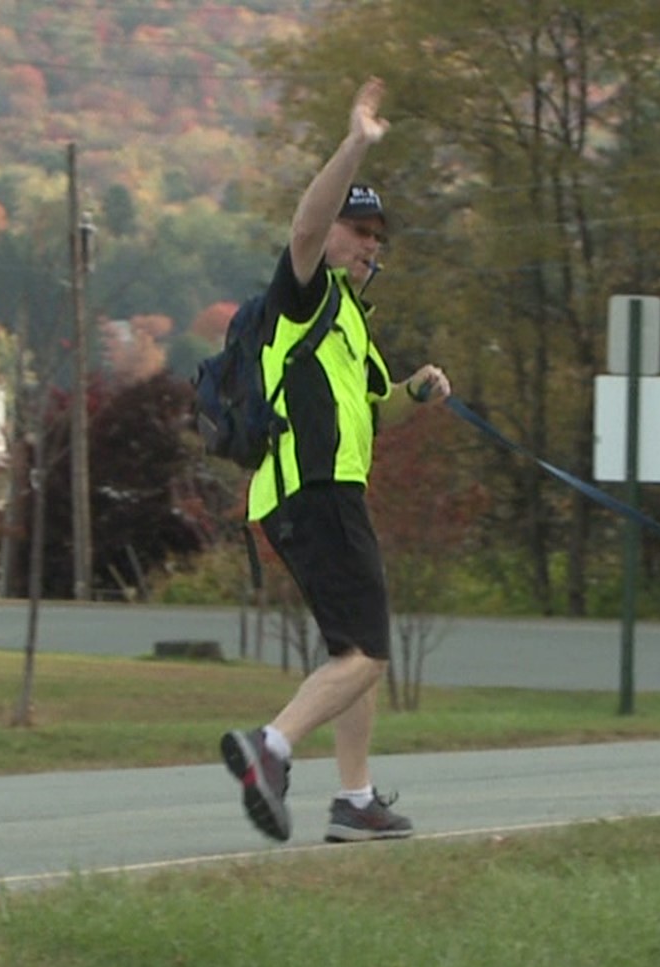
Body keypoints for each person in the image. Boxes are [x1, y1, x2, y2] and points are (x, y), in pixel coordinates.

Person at [220, 77, 451, 844]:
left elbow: (372, 408)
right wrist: (356, 142)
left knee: (355, 650)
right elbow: (305, 224)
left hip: (319, 493)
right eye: (360, 229)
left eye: (378, 235)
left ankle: (354, 801)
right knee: (370, 655)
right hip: (313, 490)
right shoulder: (306, 291)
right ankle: (272, 747)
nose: (369, 244)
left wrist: (414, 392)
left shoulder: (351, 320)